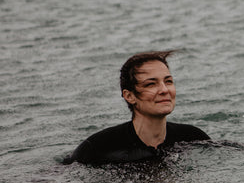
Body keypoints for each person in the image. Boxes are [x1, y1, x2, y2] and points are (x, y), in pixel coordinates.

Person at [65, 51, 210, 164]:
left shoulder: (193, 138)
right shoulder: (97, 147)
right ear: (129, 96)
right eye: (151, 84)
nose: (165, 90)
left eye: (168, 81)